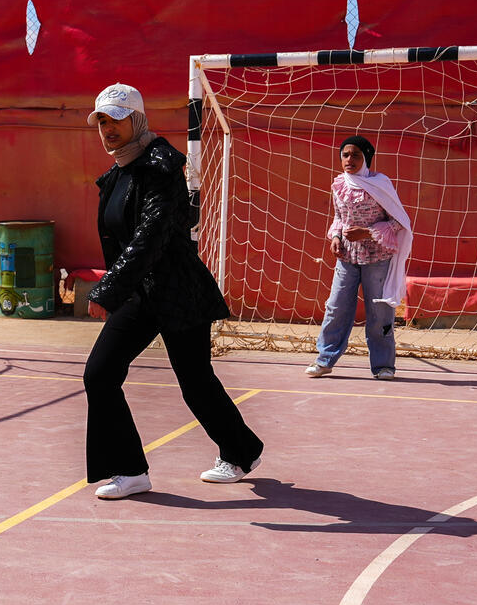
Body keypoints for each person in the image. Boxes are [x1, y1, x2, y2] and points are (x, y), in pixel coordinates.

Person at [82, 83, 264, 500]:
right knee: (100, 374)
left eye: (116, 119)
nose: (108, 129)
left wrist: (108, 289)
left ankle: (241, 451)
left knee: (195, 381)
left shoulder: (162, 168)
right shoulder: (117, 174)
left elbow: (150, 236)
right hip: (138, 293)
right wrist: (120, 288)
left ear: (138, 120)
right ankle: (129, 470)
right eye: (102, 121)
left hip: (177, 290)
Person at [306, 135, 412, 381]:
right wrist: (335, 237)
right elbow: (339, 218)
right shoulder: (339, 184)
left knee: (380, 313)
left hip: (378, 258)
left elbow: (398, 222)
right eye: (345, 155)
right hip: (347, 258)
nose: (349, 160)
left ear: (366, 158)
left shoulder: (381, 184)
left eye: (355, 155)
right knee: (336, 307)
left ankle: (384, 366)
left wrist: (366, 233)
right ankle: (324, 360)